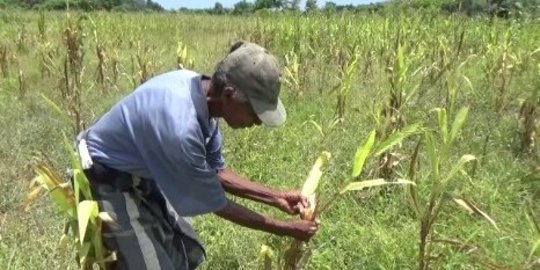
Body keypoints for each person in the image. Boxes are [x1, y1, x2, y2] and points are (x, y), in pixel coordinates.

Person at [76, 41, 319, 270]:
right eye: (255, 113)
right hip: (106, 175)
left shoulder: (202, 95)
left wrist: (275, 197)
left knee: (182, 250)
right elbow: (219, 204)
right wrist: (287, 229)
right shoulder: (180, 128)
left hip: (144, 170)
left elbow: (218, 173)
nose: (257, 122)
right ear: (229, 96)